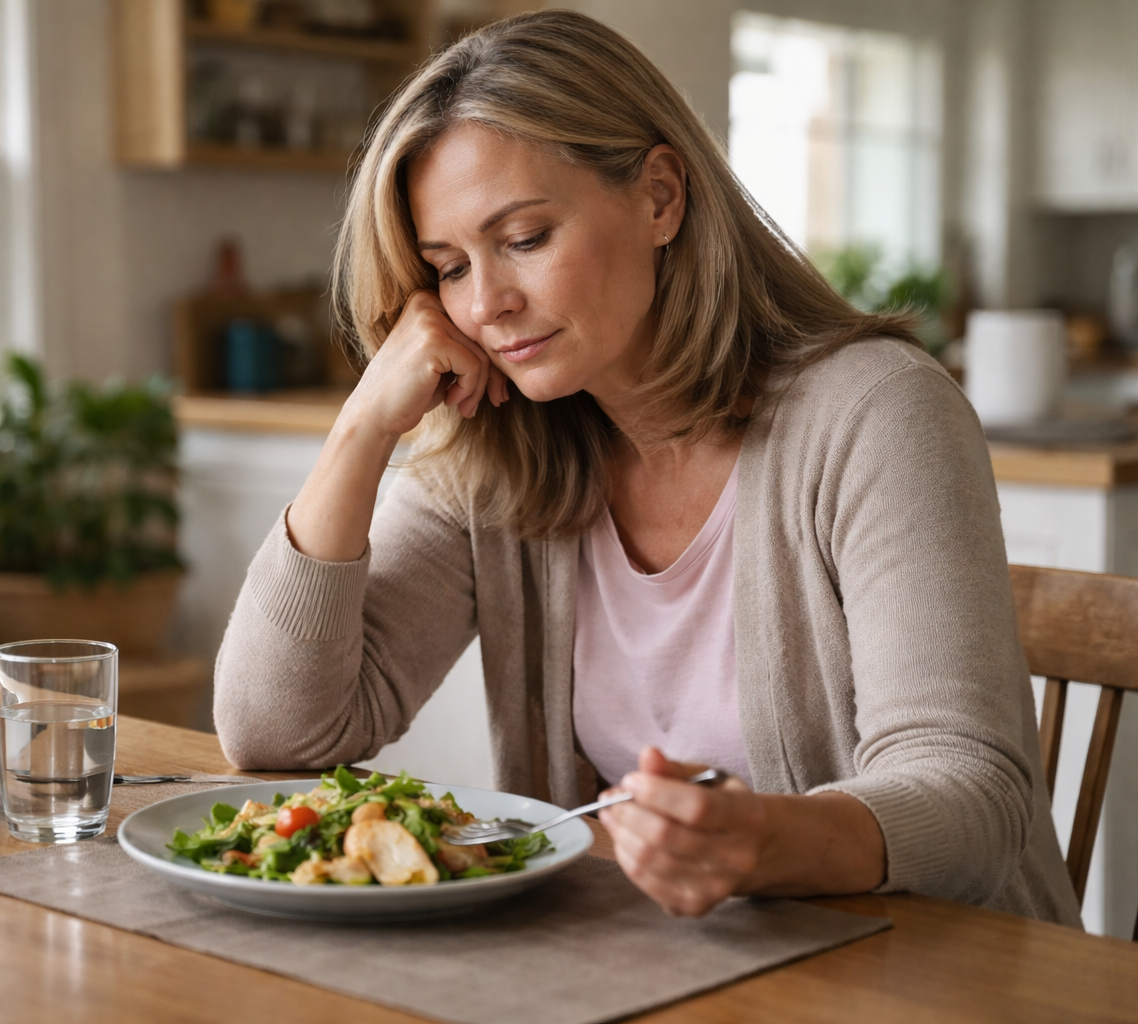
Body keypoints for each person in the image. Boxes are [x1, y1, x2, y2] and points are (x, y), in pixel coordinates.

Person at [212, 10, 1081, 926]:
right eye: (450, 267)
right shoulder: (496, 451)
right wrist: (361, 432)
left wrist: (767, 841)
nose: (488, 305)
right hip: (669, 967)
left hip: (942, 973)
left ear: (661, 196)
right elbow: (282, 733)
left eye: (525, 238)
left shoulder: (876, 414)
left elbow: (973, 798)